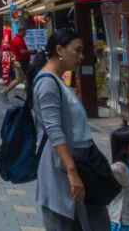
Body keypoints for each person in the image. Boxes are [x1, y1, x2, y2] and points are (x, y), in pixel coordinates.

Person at [31, 27, 108, 231]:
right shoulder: (47, 83)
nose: (81, 56)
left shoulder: (58, 80)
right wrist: (72, 172)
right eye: (77, 50)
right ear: (60, 50)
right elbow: (54, 129)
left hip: (77, 166)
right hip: (61, 171)